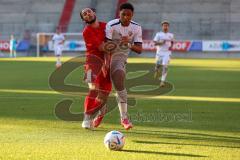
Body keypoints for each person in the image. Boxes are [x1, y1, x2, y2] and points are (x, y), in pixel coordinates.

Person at [105, 2, 143, 130]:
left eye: (129, 15)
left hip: (120, 57)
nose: (126, 17)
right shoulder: (111, 25)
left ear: (132, 15)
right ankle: (99, 114)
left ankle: (124, 118)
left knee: (120, 83)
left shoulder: (137, 28)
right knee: (102, 90)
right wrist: (118, 43)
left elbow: (139, 49)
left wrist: (129, 44)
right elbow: (106, 47)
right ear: (119, 14)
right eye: (123, 14)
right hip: (107, 56)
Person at [80, 8, 112, 129]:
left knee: (104, 96)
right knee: (93, 88)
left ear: (94, 13)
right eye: (84, 14)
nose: (87, 14)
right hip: (91, 63)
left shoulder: (106, 26)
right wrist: (118, 45)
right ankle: (86, 118)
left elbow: (115, 40)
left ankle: (102, 110)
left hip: (108, 62)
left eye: (89, 12)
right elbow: (102, 47)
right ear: (84, 19)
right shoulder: (86, 31)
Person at [153, 21, 174, 87]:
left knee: (165, 66)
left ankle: (162, 81)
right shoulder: (159, 34)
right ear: (162, 27)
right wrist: (161, 43)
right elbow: (155, 43)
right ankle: (156, 71)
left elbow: (172, 42)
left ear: (168, 27)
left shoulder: (171, 35)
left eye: (167, 26)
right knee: (157, 66)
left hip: (167, 53)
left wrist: (171, 47)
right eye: (164, 26)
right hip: (159, 52)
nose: (165, 27)